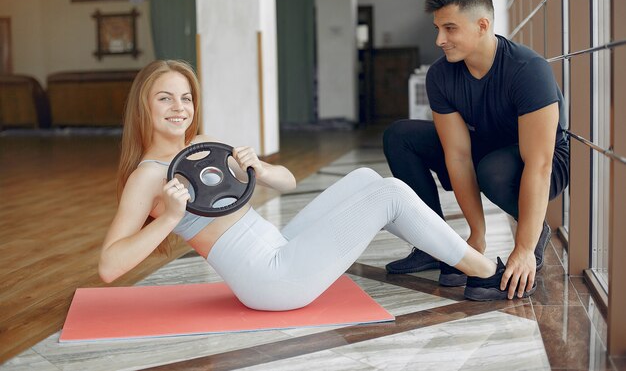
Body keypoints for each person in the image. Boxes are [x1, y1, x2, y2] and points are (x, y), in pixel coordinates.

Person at [98, 59, 529, 311]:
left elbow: (286, 182)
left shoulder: (203, 147)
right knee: (391, 194)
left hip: (278, 245)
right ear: (145, 105)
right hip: (270, 280)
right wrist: (169, 218)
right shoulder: (149, 175)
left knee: (364, 178)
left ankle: (446, 253)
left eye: (185, 97)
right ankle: (483, 273)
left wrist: (260, 169)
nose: (179, 108)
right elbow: (109, 266)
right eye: (165, 98)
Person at [383, 0, 569, 300]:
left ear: (482, 25)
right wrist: (476, 236)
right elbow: (457, 155)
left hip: (546, 159)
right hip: (487, 146)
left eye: (450, 28)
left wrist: (523, 248)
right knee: (401, 136)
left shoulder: (528, 69)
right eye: (437, 28)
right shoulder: (441, 75)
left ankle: (533, 232)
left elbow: (539, 163)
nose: (440, 39)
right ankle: (432, 243)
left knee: (493, 169)